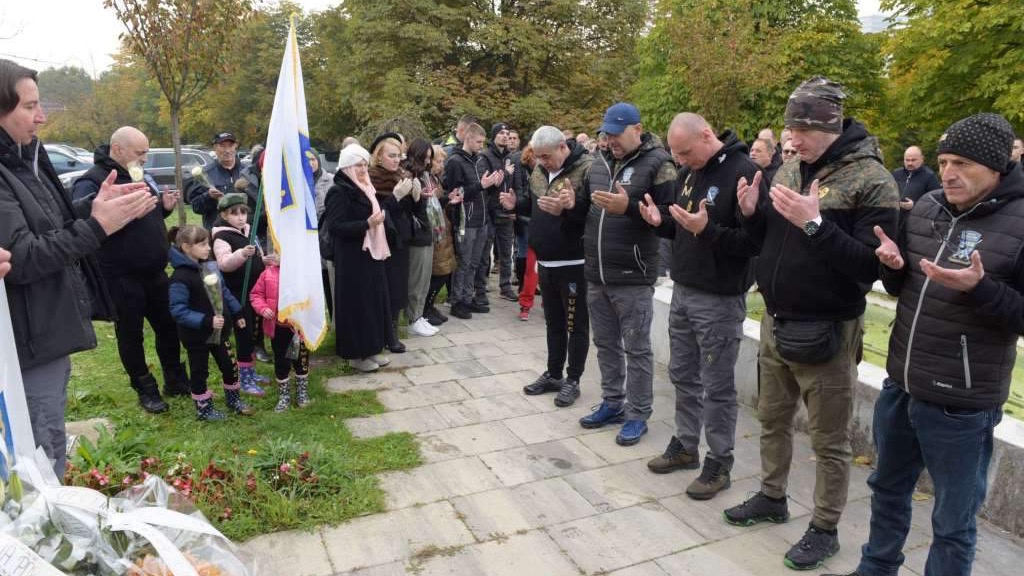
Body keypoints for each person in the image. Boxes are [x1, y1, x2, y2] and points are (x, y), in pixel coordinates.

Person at [825, 113, 1024, 576]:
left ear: (995, 167)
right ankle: (876, 567)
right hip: (902, 386)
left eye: (961, 163)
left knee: (952, 521)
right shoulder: (928, 208)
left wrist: (980, 288)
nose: (948, 172)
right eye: (943, 160)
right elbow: (903, 289)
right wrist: (892, 266)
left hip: (962, 404)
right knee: (887, 490)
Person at [726, 76, 899, 570]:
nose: (791, 139)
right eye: (789, 128)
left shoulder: (871, 180)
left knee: (829, 441)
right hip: (776, 323)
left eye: (800, 129)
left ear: (829, 125)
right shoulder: (789, 168)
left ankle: (824, 529)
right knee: (772, 421)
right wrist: (750, 215)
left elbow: (873, 268)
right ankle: (772, 497)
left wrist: (816, 223)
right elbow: (769, 243)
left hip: (828, 330)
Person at [0, 59, 157, 476]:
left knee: (50, 437)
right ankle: (49, 531)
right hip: (29, 339)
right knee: (38, 452)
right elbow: (24, 258)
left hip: (47, 331)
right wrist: (99, 226)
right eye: (30, 106)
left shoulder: (24, 159)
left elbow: (51, 224)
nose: (42, 116)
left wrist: (94, 210)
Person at [640, 113, 762, 500]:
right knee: (682, 374)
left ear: (707, 135)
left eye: (685, 152)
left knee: (717, 385)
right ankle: (686, 444)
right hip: (684, 290)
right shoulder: (690, 172)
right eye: (675, 154)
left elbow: (751, 245)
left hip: (720, 297)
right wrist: (661, 223)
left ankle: (719, 461)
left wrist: (705, 230)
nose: (680, 161)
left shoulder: (744, 173)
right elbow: (683, 228)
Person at [565, 102, 677, 446]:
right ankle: (612, 402)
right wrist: (569, 206)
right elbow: (584, 211)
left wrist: (626, 208)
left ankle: (638, 412)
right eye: (606, 133)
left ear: (637, 130)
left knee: (637, 348)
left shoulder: (660, 164)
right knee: (605, 343)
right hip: (597, 272)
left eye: (616, 134)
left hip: (633, 274)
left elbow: (668, 218)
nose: (610, 140)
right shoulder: (596, 163)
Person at [71, 126, 189, 414]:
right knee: (131, 334)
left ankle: (174, 379)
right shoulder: (94, 181)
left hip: (156, 272)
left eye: (147, 152)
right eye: (140, 153)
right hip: (122, 276)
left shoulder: (136, 173)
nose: (145, 158)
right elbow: (79, 217)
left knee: (169, 327)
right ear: (118, 149)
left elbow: (143, 215)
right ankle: (144, 388)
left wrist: (162, 208)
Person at [503, 126, 592, 408]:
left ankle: (573, 379)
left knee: (575, 324)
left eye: (546, 156)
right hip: (546, 260)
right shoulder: (540, 171)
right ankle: (553, 373)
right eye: (538, 157)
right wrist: (517, 203)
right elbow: (535, 205)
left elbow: (593, 214)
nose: (541, 161)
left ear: (563, 148)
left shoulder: (587, 168)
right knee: (553, 322)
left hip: (574, 262)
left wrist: (570, 208)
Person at [167, 225, 255, 420]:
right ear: (186, 247)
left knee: (229, 364)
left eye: (208, 243)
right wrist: (206, 321)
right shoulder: (179, 278)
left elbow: (223, 292)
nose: (208, 248)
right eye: (203, 244)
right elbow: (178, 310)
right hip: (196, 336)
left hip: (220, 332)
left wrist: (238, 313)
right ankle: (204, 409)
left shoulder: (209, 267)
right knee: (200, 370)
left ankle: (233, 399)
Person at [324, 144, 393, 373]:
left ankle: (372, 347)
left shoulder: (365, 186)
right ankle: (356, 354)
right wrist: (367, 224)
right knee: (357, 305)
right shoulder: (339, 191)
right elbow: (335, 226)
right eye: (358, 165)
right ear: (347, 167)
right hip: (352, 257)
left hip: (370, 253)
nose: (363, 169)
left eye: (365, 164)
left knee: (373, 302)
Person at [369, 134, 431, 347]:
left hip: (400, 239)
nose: (396, 160)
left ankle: (393, 333)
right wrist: (394, 197)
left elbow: (412, 212)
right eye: (391, 156)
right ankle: (381, 332)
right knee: (381, 287)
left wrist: (417, 198)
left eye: (398, 156)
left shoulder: (402, 176)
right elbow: (378, 213)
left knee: (397, 286)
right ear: (379, 157)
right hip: (380, 238)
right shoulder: (370, 178)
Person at [443, 123, 504, 319]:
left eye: (482, 142)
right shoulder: (454, 162)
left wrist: (494, 184)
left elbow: (483, 190)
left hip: (482, 219)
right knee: (464, 262)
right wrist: (480, 185)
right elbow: (454, 194)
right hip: (465, 220)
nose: (481, 145)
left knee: (475, 263)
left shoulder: (480, 161)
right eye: (478, 141)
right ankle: (457, 301)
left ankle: (468, 299)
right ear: (467, 139)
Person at [212, 193, 267, 396]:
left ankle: (251, 373)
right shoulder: (221, 236)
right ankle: (244, 379)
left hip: (255, 293)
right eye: (234, 213)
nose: (241, 217)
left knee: (253, 332)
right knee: (244, 335)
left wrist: (265, 259)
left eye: (243, 212)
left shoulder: (247, 230)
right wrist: (242, 253)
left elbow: (258, 254)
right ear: (224, 215)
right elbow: (224, 264)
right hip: (238, 295)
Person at [250, 253, 311, 412]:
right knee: (282, 361)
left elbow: (313, 295)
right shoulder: (267, 274)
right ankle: (284, 395)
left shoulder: (302, 273)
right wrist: (263, 309)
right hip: (278, 328)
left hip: (298, 327)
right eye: (277, 252)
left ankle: (302, 392)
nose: (278, 256)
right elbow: (256, 295)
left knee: (300, 359)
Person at [401, 138, 441, 336]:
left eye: (430, 158)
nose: (427, 162)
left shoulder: (425, 174)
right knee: (416, 280)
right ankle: (413, 318)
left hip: (427, 229)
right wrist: (419, 198)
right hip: (416, 234)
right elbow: (405, 207)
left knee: (425, 279)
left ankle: (419, 315)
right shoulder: (408, 174)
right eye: (425, 158)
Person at [477, 122, 518, 303]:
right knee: (485, 252)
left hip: (507, 211)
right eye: (501, 133)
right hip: (490, 210)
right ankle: (480, 287)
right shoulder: (485, 156)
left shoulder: (512, 157)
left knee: (506, 252)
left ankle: (506, 286)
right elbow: (486, 183)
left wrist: (516, 206)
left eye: (507, 133)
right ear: (494, 136)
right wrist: (505, 174)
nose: (505, 136)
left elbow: (516, 185)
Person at [423, 145, 457, 325]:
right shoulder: (427, 179)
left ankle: (430, 304)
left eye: (442, 161)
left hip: (443, 228)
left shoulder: (436, 178)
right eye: (438, 161)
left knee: (445, 270)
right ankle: (425, 307)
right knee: (438, 272)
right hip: (435, 231)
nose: (441, 165)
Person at [185, 132, 243, 229]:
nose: (227, 150)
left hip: (244, 233)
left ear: (235, 146)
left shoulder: (247, 172)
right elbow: (196, 207)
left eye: (230, 146)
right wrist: (208, 196)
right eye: (222, 146)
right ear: (215, 148)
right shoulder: (204, 175)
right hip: (217, 234)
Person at [513, 144, 539, 321]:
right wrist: (514, 204)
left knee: (549, 272)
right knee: (531, 269)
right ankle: (525, 304)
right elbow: (526, 200)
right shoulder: (533, 177)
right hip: (535, 226)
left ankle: (551, 303)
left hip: (555, 230)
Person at [891, 145, 941, 212]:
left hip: (918, 219)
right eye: (907, 160)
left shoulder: (929, 176)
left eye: (913, 160)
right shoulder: (896, 174)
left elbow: (936, 202)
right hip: (896, 219)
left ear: (922, 159)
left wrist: (914, 205)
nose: (910, 163)